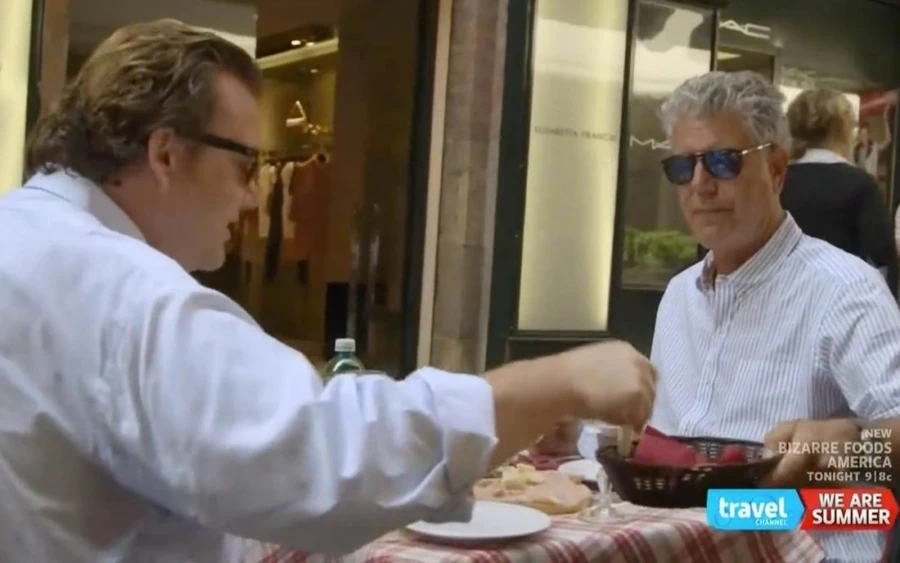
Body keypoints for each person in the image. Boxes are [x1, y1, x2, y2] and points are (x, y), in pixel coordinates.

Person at [0, 20, 657, 563]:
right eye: (246, 165)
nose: (254, 196)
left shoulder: (22, 238)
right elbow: (320, 454)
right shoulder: (126, 294)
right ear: (166, 154)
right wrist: (556, 381)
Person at [650, 71, 900, 562]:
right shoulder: (679, 296)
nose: (700, 185)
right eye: (682, 167)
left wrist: (850, 445)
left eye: (722, 162)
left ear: (777, 170)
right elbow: (661, 449)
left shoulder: (844, 290)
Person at [782, 88, 898, 295]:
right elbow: (882, 255)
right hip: (841, 297)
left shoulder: (776, 181)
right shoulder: (860, 184)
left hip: (783, 294)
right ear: (841, 130)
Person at [854, 108, 892, 179]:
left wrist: (885, 119)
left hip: (872, 181)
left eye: (865, 134)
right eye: (861, 134)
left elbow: (888, 140)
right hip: (861, 181)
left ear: (868, 135)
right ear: (859, 136)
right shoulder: (857, 150)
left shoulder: (874, 147)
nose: (863, 137)